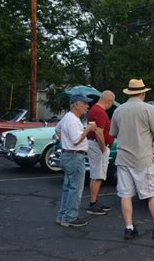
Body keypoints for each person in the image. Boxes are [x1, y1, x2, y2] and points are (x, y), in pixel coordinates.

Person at [110, 79, 154, 240]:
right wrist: (149, 138)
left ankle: (129, 228)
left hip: (123, 158)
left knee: (125, 194)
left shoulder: (119, 110)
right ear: (143, 93)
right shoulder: (148, 109)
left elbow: (113, 133)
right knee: (152, 193)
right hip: (142, 158)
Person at [55, 94, 97, 227]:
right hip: (74, 156)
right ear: (76, 104)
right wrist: (88, 129)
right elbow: (76, 140)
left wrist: (64, 142)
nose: (87, 106)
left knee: (68, 188)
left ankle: (63, 216)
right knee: (75, 189)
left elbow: (57, 129)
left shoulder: (67, 117)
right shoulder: (73, 120)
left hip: (67, 155)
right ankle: (70, 217)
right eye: (85, 103)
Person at [86, 90, 116, 216]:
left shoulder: (94, 109)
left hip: (94, 145)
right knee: (98, 175)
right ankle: (93, 203)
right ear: (109, 100)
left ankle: (95, 201)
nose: (111, 105)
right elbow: (99, 132)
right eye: (112, 102)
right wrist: (104, 148)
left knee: (96, 174)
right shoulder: (99, 112)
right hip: (98, 146)